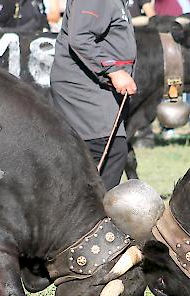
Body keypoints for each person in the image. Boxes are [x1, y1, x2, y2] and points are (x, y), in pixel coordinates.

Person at [50, 0, 136, 190]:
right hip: (82, 84)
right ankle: (94, 213)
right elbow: (80, 37)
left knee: (110, 147)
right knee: (107, 147)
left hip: (98, 83)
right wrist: (113, 70)